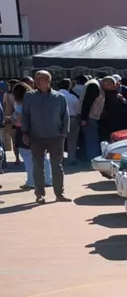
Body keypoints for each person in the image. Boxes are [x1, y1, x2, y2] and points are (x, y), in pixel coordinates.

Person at [21, 69, 71, 202]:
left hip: (56, 136)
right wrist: (25, 132)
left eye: (40, 79)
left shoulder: (59, 97)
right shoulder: (29, 96)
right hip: (36, 136)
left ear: (48, 81)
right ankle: (39, 194)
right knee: (38, 166)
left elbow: (65, 116)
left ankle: (59, 193)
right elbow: (25, 115)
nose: (36, 81)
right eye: (35, 79)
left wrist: (64, 133)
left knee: (57, 166)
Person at [97, 76, 127, 143]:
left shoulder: (125, 90)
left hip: (123, 119)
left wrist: (122, 99)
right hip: (110, 119)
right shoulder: (106, 92)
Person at [57, 77, 82, 165]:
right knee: (72, 140)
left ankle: (59, 158)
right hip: (72, 118)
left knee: (59, 140)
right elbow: (78, 109)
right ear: (69, 86)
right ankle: (71, 159)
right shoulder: (73, 97)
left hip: (57, 120)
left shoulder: (54, 96)